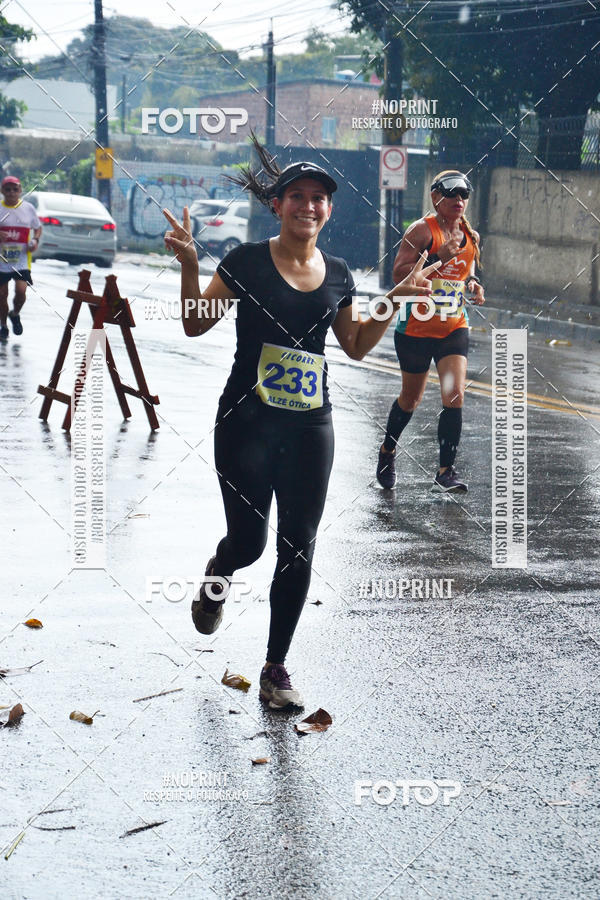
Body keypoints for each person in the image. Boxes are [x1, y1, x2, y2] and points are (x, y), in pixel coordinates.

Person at [163, 141, 440, 709]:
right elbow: (195, 326)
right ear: (279, 205)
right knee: (250, 543)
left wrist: (394, 299)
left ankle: (275, 670)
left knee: (299, 545)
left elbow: (357, 345)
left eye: (318, 199)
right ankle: (219, 570)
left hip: (311, 426)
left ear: (329, 210)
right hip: (245, 423)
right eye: (296, 197)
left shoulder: (338, 274)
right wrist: (191, 266)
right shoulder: (244, 261)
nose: (307, 206)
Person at [376, 170, 485, 493]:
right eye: (451, 193)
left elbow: (467, 273)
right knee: (411, 399)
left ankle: (445, 472)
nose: (459, 200)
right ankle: (388, 450)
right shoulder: (422, 230)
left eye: (464, 194)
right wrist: (438, 257)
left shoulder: (471, 236)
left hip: (453, 325)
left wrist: (475, 285)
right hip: (416, 328)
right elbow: (398, 274)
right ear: (435, 197)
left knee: (455, 395)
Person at [0, 176, 42, 341]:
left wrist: (35, 240)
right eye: (8, 189)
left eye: (15, 189)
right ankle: (3, 326)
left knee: (21, 292)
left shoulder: (28, 208)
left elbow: (38, 228)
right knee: (2, 294)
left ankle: (15, 314)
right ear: (2, 191)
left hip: (22, 260)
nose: (11, 192)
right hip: (2, 262)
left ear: (20, 190)